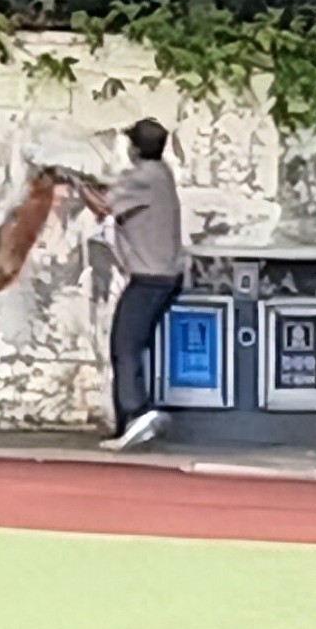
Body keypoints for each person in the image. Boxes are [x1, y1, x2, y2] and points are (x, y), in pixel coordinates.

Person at [85, 119, 184, 451]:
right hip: (166, 275)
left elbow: (103, 206)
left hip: (149, 278)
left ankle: (135, 415)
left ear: (135, 148)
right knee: (134, 345)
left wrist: (76, 185)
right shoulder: (161, 173)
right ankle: (132, 419)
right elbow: (117, 199)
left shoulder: (141, 177)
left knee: (124, 347)